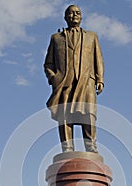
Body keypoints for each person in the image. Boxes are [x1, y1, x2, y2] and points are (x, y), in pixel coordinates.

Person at [44, 4, 104, 153]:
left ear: (81, 16)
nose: (74, 15)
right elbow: (48, 63)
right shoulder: (56, 38)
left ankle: (91, 146)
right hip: (64, 82)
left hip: (86, 81)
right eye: (70, 13)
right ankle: (67, 148)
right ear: (65, 17)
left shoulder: (92, 37)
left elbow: (98, 59)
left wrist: (100, 79)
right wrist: (54, 78)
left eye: (77, 13)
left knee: (88, 113)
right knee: (64, 115)